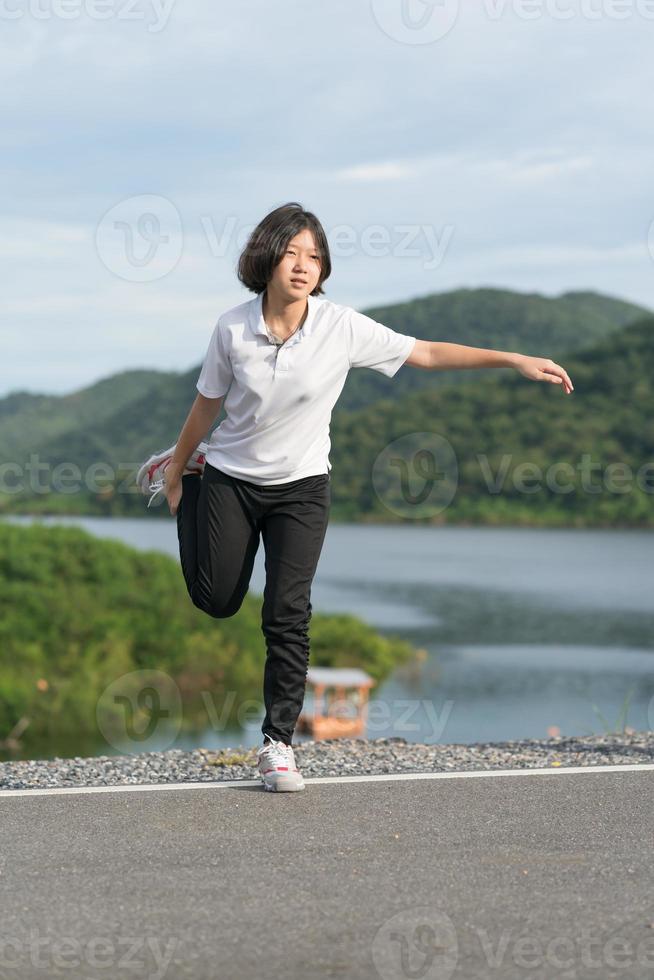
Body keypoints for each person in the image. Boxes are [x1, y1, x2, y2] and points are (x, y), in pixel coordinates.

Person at [136, 201, 574, 793]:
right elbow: (208, 404)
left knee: (287, 612)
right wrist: (176, 473)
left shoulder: (340, 326)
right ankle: (188, 471)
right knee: (216, 599)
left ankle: (277, 745)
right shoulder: (231, 327)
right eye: (291, 253)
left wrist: (513, 358)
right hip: (231, 479)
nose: (302, 265)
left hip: (302, 489)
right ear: (265, 259)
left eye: (313, 256)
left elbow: (426, 352)